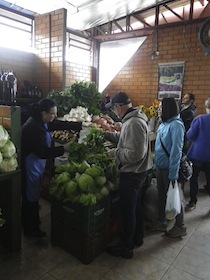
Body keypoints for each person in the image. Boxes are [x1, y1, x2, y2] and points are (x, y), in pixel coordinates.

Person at [21, 98, 82, 238]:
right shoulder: (34, 127)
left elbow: (58, 123)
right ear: (44, 113)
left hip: (36, 165)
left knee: (33, 197)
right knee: (30, 199)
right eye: (52, 114)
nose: (54, 116)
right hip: (29, 166)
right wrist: (64, 148)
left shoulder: (43, 121)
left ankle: (32, 222)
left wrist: (80, 125)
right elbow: (43, 152)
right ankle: (31, 229)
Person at [104, 92, 153, 259]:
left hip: (133, 173)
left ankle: (126, 247)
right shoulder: (132, 120)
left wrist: (115, 153)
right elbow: (126, 139)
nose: (114, 112)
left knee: (128, 211)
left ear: (120, 106)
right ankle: (137, 238)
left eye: (114, 108)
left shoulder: (133, 123)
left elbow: (135, 154)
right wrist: (107, 134)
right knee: (136, 207)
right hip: (138, 172)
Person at [148, 97, 187, 238]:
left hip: (170, 169)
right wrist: (154, 165)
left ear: (168, 109)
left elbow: (176, 151)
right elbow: (159, 147)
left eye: (160, 107)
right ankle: (161, 221)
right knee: (162, 196)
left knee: (175, 197)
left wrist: (173, 173)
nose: (158, 110)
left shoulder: (176, 125)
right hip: (160, 167)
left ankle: (180, 226)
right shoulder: (163, 123)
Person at [185, 97, 210, 210]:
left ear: (206, 107)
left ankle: (192, 202)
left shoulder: (200, 119)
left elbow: (190, 135)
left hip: (198, 154)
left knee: (194, 177)